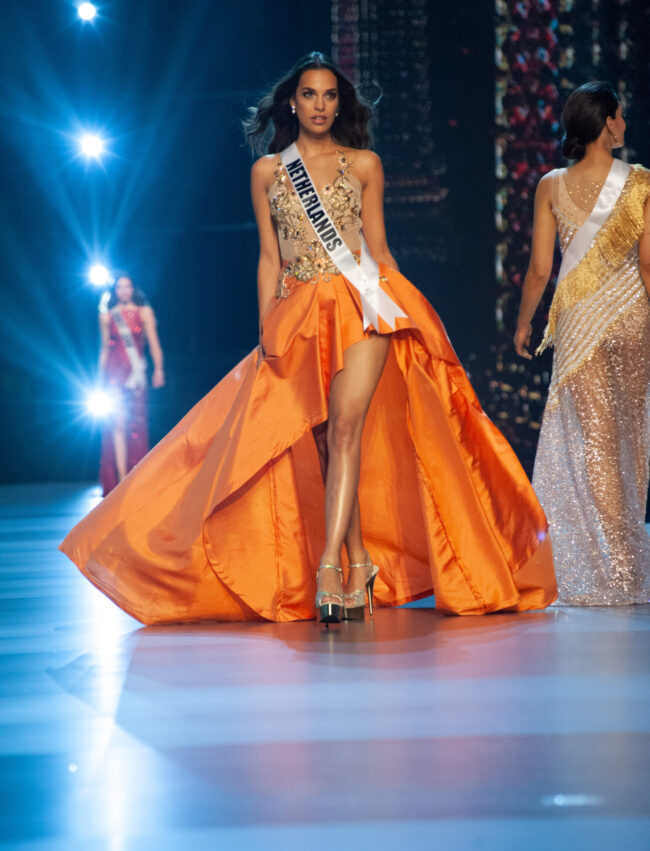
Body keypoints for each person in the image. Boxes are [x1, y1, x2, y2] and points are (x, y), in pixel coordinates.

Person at [61, 52, 556, 625]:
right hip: (297, 313)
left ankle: (329, 570)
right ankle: (361, 560)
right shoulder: (269, 171)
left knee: (346, 431)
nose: (321, 105)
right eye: (311, 95)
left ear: (338, 104)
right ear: (292, 103)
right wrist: (267, 328)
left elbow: (381, 251)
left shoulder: (365, 164)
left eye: (330, 96)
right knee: (321, 443)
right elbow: (268, 259)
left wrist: (408, 312)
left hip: (361, 306)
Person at [514, 81, 650, 606]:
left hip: (578, 326)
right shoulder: (641, 182)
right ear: (609, 122)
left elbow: (540, 270)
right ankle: (627, 560)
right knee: (630, 435)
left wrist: (526, 324)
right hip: (635, 319)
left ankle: (614, 566)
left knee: (595, 438)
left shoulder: (550, 184)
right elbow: (649, 265)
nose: (625, 125)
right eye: (621, 117)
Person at [98, 273, 165, 495]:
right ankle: (121, 478)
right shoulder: (108, 316)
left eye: (127, 286)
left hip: (135, 374)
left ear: (133, 288)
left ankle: (136, 476)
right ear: (114, 290)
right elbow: (105, 349)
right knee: (117, 424)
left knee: (136, 425)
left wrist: (158, 369)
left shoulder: (144, 312)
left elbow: (153, 343)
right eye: (119, 287)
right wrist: (100, 378)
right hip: (114, 374)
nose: (124, 291)